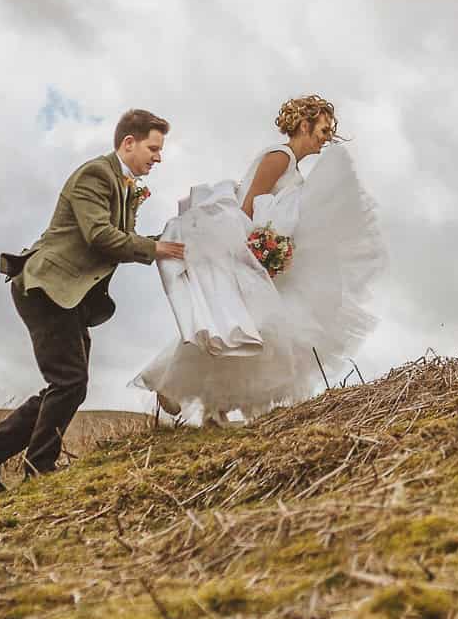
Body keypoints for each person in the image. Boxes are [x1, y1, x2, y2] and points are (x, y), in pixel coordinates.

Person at [0, 109, 187, 493]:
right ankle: (38, 468)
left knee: (67, 385)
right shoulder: (95, 174)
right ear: (128, 143)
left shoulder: (126, 186)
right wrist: (156, 248)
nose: (158, 158)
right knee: (70, 381)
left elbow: (120, 238)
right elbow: (100, 236)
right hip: (46, 287)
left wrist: (168, 238)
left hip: (70, 296)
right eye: (153, 148)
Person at [131, 95, 384, 424]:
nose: (326, 138)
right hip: (247, 252)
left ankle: (216, 408)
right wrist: (262, 247)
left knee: (249, 333)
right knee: (241, 326)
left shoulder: (293, 167)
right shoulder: (279, 157)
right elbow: (249, 204)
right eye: (323, 129)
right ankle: (169, 383)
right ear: (304, 125)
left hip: (262, 255)